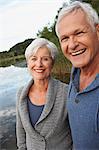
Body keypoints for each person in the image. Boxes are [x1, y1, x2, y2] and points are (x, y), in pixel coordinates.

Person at [55, 1, 99, 149]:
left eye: (79, 33)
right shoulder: (74, 75)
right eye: (65, 38)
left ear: (97, 31)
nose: (72, 45)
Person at [16, 38, 72, 150]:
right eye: (34, 59)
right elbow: (20, 129)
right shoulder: (21, 93)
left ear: (52, 62)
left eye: (45, 59)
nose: (39, 64)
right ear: (28, 63)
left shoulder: (67, 92)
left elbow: (77, 132)